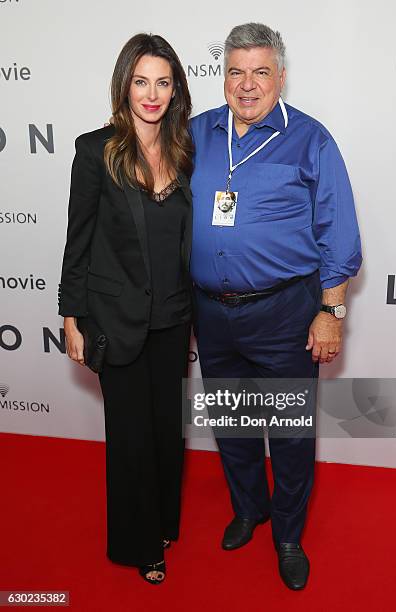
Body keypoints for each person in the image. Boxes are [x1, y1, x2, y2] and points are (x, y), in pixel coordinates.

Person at [190, 23, 362, 590]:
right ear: (223, 77)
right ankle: (249, 509)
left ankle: (287, 533)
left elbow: (339, 234)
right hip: (211, 314)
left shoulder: (310, 139)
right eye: (235, 71)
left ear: (281, 77)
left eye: (260, 71)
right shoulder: (195, 134)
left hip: (285, 313)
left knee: (288, 431)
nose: (246, 84)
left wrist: (331, 311)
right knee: (234, 424)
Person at [58, 33, 194, 585]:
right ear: (124, 85)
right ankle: (141, 545)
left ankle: (162, 521)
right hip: (116, 321)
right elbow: (79, 240)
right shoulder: (96, 150)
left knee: (167, 431)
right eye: (141, 81)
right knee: (131, 437)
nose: (152, 94)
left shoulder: (187, 151)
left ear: (175, 90)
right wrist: (71, 316)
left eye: (163, 82)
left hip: (174, 318)